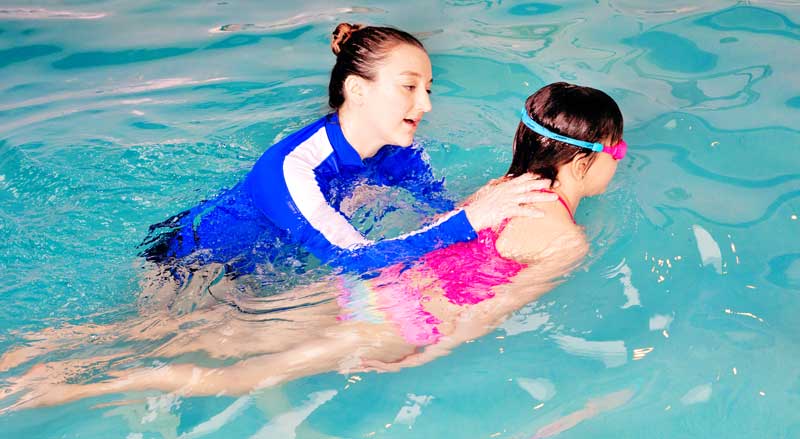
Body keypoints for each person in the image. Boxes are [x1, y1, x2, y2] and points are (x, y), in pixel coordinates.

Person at [1, 81, 625, 410]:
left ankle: (35, 354)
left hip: (369, 288)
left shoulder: (498, 189)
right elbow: (488, 312)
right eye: (617, 151)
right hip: (400, 324)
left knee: (196, 335)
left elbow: (433, 241)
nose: (619, 163)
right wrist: (423, 356)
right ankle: (72, 393)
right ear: (586, 158)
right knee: (240, 378)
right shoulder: (563, 238)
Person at [141, 23, 557, 279]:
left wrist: (491, 200)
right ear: (356, 89)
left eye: (428, 89)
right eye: (409, 87)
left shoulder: (400, 152)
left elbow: (441, 215)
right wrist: (472, 218)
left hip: (267, 268)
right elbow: (355, 261)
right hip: (189, 267)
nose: (426, 104)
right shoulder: (293, 168)